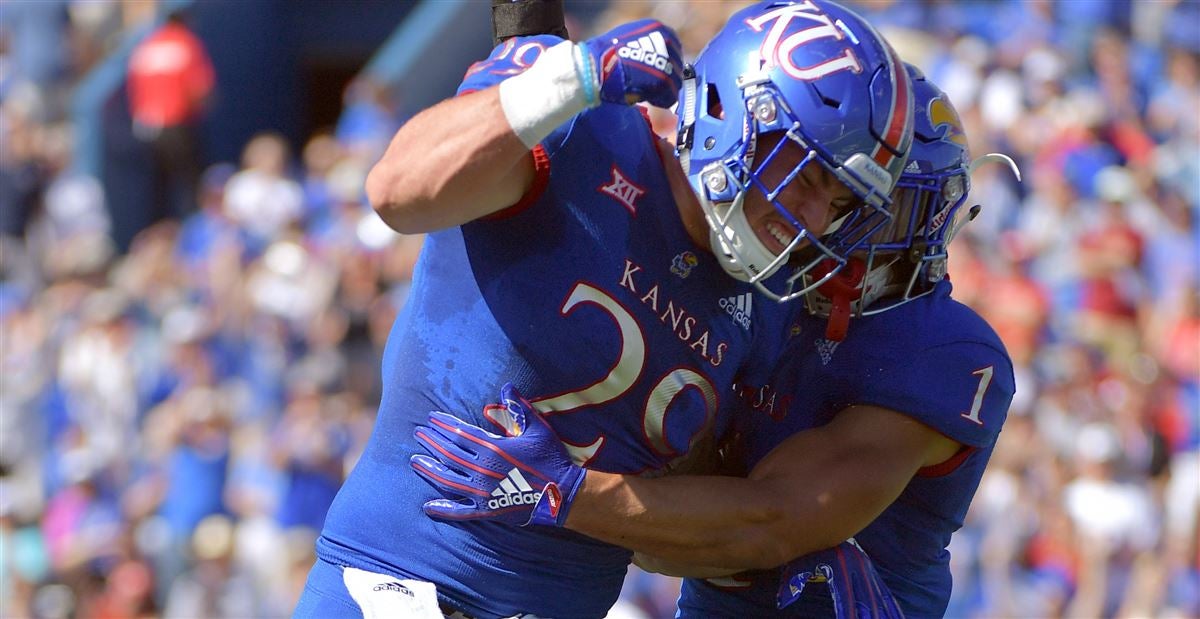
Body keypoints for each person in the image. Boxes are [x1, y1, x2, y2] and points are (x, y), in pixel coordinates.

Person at [295, 1, 914, 617]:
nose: (811, 219)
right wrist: (571, 78)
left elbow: (667, 524)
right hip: (395, 586)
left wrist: (786, 551)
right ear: (734, 115)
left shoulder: (774, 306)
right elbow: (397, 192)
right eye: (806, 178)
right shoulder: (588, 135)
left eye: (836, 202)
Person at [411, 66, 1017, 617]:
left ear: (928, 219)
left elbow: (770, 523)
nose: (843, 220)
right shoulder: (749, 294)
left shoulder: (945, 349)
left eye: (877, 205)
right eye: (834, 191)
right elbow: (663, 534)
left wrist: (562, 490)